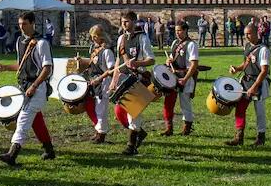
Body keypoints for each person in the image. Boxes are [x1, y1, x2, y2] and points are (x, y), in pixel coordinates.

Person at [0, 11, 55, 165]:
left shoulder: (42, 43)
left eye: (25, 24)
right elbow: (21, 65)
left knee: (23, 120)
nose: (21, 27)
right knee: (36, 121)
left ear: (33, 23)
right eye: (20, 24)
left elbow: (47, 68)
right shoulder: (20, 41)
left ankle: (12, 154)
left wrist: (35, 86)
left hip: (38, 87)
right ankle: (49, 150)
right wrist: (5, 67)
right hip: (24, 87)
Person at [107, 11, 155, 155]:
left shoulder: (142, 38)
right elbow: (118, 61)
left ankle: (131, 146)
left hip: (139, 78)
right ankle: (140, 133)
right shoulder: (120, 39)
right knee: (119, 112)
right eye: (122, 22)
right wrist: (114, 80)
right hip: (124, 79)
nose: (124, 24)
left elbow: (151, 60)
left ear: (134, 22)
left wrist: (137, 62)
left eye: (127, 21)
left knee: (134, 113)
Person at [225, 23, 270, 147]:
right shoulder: (247, 46)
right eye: (245, 34)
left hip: (258, 83)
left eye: (249, 33)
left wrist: (254, 87)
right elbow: (246, 63)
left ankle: (261, 138)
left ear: (256, 33)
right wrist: (237, 69)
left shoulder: (263, 49)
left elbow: (264, 70)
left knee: (259, 111)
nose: (246, 36)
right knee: (240, 107)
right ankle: (239, 137)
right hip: (246, 81)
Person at [72, 24, 116, 143]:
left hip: (103, 82)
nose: (93, 39)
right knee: (92, 106)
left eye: (95, 36)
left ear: (101, 36)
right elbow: (92, 63)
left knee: (101, 109)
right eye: (92, 36)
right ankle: (98, 130)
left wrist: (100, 78)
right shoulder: (94, 49)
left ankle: (101, 135)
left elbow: (111, 69)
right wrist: (81, 60)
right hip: (93, 81)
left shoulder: (107, 51)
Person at [165, 20, 200, 136]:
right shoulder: (175, 42)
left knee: (185, 103)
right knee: (169, 101)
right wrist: (168, 60)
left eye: (179, 30)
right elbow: (171, 57)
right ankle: (169, 128)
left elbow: (194, 65)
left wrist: (185, 79)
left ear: (185, 30)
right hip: (173, 76)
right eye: (176, 31)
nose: (177, 33)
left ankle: (187, 128)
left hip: (185, 76)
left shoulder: (191, 45)